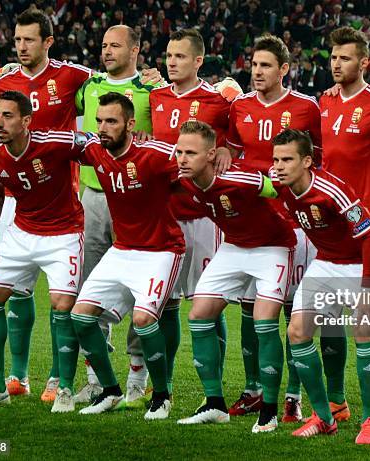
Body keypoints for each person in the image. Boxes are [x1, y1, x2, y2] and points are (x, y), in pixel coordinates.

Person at [0, 9, 92, 402]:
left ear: (47, 41)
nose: (21, 47)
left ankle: (58, 379)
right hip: (14, 199)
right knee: (15, 290)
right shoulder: (5, 81)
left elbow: (112, 91)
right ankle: (17, 377)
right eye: (17, 40)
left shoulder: (73, 76)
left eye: (29, 40)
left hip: (59, 193)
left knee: (61, 295)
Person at [0, 91, 84, 414]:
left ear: (26, 121)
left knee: (63, 306)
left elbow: (95, 146)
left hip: (63, 234)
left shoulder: (55, 142)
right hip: (20, 232)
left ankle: (66, 389)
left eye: (7, 116)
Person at [175, 120, 296, 433]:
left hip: (272, 248)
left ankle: (269, 409)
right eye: (179, 151)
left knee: (264, 321)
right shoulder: (183, 179)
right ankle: (215, 404)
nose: (182, 158)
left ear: (212, 154)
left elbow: (281, 185)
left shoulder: (242, 178)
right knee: (199, 314)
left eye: (191, 152)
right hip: (233, 248)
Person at [226, 33, 322, 423]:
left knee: (292, 310)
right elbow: (230, 155)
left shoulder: (306, 108)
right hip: (253, 224)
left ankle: (293, 395)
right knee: (251, 308)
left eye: (266, 65)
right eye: (254, 65)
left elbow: (322, 160)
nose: (258, 72)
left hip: (297, 224)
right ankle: (254, 389)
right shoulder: (240, 107)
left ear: (284, 69)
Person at [270, 129, 370, 444]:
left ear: (307, 161)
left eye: (287, 159)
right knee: (297, 331)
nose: (279, 166)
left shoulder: (332, 190)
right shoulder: (278, 184)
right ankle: (323, 417)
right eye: (276, 159)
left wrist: (366, 289)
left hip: (364, 263)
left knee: (364, 331)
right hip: (326, 262)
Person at [71, 93, 184, 419]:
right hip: (123, 250)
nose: (103, 128)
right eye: (100, 121)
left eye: (112, 121)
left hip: (162, 250)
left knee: (144, 319)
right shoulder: (95, 150)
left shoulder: (158, 154)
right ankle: (109, 391)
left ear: (130, 125)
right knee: (80, 316)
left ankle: (161, 396)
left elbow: (194, 161)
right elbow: (61, 142)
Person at [74, 24, 158, 409]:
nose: (106, 51)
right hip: (93, 195)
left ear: (136, 50)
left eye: (115, 45)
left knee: (142, 289)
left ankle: (137, 377)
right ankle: (95, 379)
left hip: (137, 200)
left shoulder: (152, 91)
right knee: (90, 285)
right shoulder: (88, 87)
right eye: (104, 44)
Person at [149, 28, 232, 402]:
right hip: (164, 214)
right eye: (169, 55)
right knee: (164, 303)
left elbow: (239, 134)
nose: (172, 61)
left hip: (203, 218)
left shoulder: (217, 102)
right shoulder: (156, 97)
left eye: (180, 56)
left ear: (198, 61)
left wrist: (228, 148)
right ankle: (161, 387)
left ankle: (211, 392)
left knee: (207, 304)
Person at [320, 26, 370, 428]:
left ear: (364, 62)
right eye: (333, 57)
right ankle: (335, 400)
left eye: (345, 58)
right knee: (328, 318)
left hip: (368, 228)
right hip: (328, 230)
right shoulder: (323, 103)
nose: (336, 64)